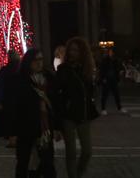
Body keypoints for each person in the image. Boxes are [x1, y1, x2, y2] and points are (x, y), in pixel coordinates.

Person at [6, 48, 58, 178]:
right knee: (24, 162)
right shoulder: (19, 80)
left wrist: (57, 127)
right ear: (29, 61)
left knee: (47, 162)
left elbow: (56, 103)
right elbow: (14, 107)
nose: (39, 63)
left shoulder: (48, 78)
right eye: (36, 60)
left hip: (44, 127)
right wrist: (12, 132)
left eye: (41, 59)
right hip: (26, 126)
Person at [54, 37, 97, 178]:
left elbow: (89, 91)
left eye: (77, 50)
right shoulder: (63, 69)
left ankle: (79, 173)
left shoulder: (87, 69)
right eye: (71, 50)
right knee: (71, 151)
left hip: (83, 113)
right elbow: (58, 95)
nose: (73, 53)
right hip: (68, 114)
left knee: (87, 150)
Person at [0, 50, 21, 146]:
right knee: (19, 118)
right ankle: (19, 138)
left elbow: (0, 84)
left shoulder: (5, 70)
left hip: (8, 98)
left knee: (10, 119)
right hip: (19, 97)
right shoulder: (21, 68)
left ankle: (12, 140)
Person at [98, 50, 121, 115]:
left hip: (113, 79)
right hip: (106, 79)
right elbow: (102, 70)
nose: (111, 53)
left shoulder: (115, 60)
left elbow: (117, 70)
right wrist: (102, 78)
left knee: (116, 94)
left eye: (112, 52)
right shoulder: (105, 60)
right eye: (110, 52)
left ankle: (119, 108)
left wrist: (118, 79)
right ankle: (103, 109)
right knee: (104, 95)